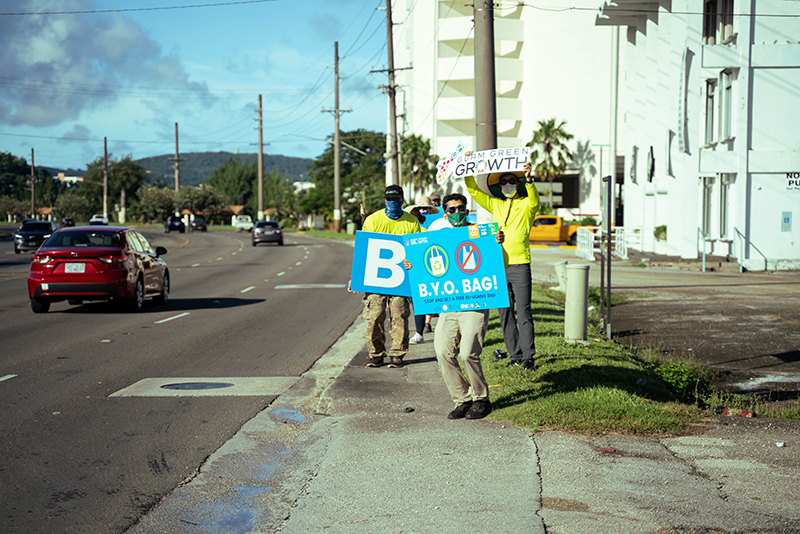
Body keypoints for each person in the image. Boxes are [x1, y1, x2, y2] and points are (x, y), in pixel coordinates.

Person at [430, 193, 503, 419]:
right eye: (452, 210)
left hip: (476, 302)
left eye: (461, 208)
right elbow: (428, 265)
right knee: (442, 351)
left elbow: (498, 262)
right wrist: (410, 264)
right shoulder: (438, 236)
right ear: (445, 213)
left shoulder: (480, 233)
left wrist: (499, 244)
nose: (457, 213)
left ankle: (481, 399)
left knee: (467, 353)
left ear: (467, 210)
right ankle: (462, 399)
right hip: (449, 304)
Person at [464, 161, 540, 370]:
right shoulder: (496, 204)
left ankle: (528, 357)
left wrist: (530, 179)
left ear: (518, 184)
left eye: (511, 181)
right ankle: (514, 355)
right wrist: (468, 167)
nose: (507, 185)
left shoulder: (527, 204)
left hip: (520, 264)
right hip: (498, 266)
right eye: (504, 182)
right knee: (505, 312)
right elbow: (472, 190)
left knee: (524, 312)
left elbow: (534, 200)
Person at [351, 185, 422, 368]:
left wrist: (412, 263)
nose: (393, 203)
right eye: (389, 200)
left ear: (402, 201)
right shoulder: (373, 220)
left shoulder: (412, 222)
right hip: (376, 278)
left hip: (401, 278)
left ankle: (397, 354)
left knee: (399, 314)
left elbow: (416, 249)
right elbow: (363, 251)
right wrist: (356, 277)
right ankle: (376, 354)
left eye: (396, 200)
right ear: (385, 201)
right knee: (375, 315)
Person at [402, 196, 440, 345]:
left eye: (426, 209)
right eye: (421, 209)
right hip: (417, 266)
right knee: (419, 300)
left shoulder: (437, 224)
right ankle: (419, 332)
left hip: (434, 264)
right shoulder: (413, 226)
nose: (423, 211)